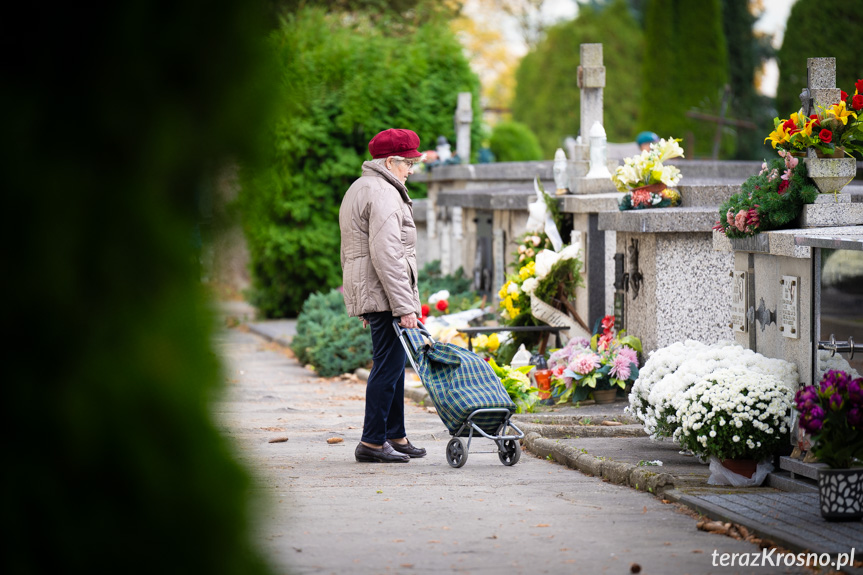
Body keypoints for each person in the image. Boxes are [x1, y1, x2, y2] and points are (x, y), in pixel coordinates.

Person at [339, 128, 428, 463]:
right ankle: (373, 442)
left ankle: (395, 435)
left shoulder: (360, 188)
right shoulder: (385, 194)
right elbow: (388, 255)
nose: (411, 170)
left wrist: (362, 299)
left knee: (392, 366)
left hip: (376, 292)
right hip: (386, 295)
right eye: (407, 163)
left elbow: (351, 251)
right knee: (388, 369)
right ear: (390, 161)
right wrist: (405, 307)